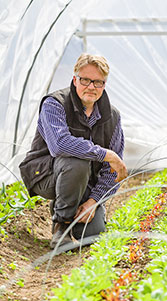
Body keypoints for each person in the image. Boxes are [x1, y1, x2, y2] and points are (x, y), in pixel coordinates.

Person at [19, 53, 127, 249]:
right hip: (46, 174)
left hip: (83, 181)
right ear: (75, 79)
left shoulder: (112, 116)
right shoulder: (54, 103)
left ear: (104, 85)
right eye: (85, 80)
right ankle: (62, 226)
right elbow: (59, 144)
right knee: (78, 160)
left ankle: (71, 205)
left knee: (92, 236)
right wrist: (105, 154)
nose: (91, 87)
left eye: (98, 82)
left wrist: (93, 202)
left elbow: (113, 172)